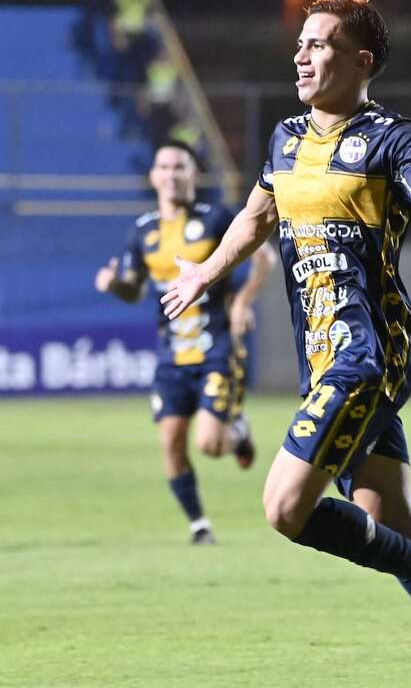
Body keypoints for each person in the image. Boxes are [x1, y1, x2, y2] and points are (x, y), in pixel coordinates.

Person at [161, 0, 411, 686]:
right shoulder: (285, 138)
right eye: (300, 43)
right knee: (388, 525)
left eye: (319, 44)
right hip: (324, 359)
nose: (301, 56)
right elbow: (257, 216)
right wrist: (206, 271)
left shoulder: (394, 137)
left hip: (367, 355)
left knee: (285, 508)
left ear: (361, 62)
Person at [95, 140, 276, 544]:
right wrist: (113, 285)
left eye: (180, 166)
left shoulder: (217, 217)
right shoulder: (143, 231)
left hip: (216, 347)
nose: (172, 174)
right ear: (153, 176)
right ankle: (199, 526)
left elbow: (265, 257)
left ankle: (237, 432)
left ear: (194, 174)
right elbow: (133, 289)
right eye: (164, 167)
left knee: (209, 444)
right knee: (170, 441)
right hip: (172, 354)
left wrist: (242, 301)